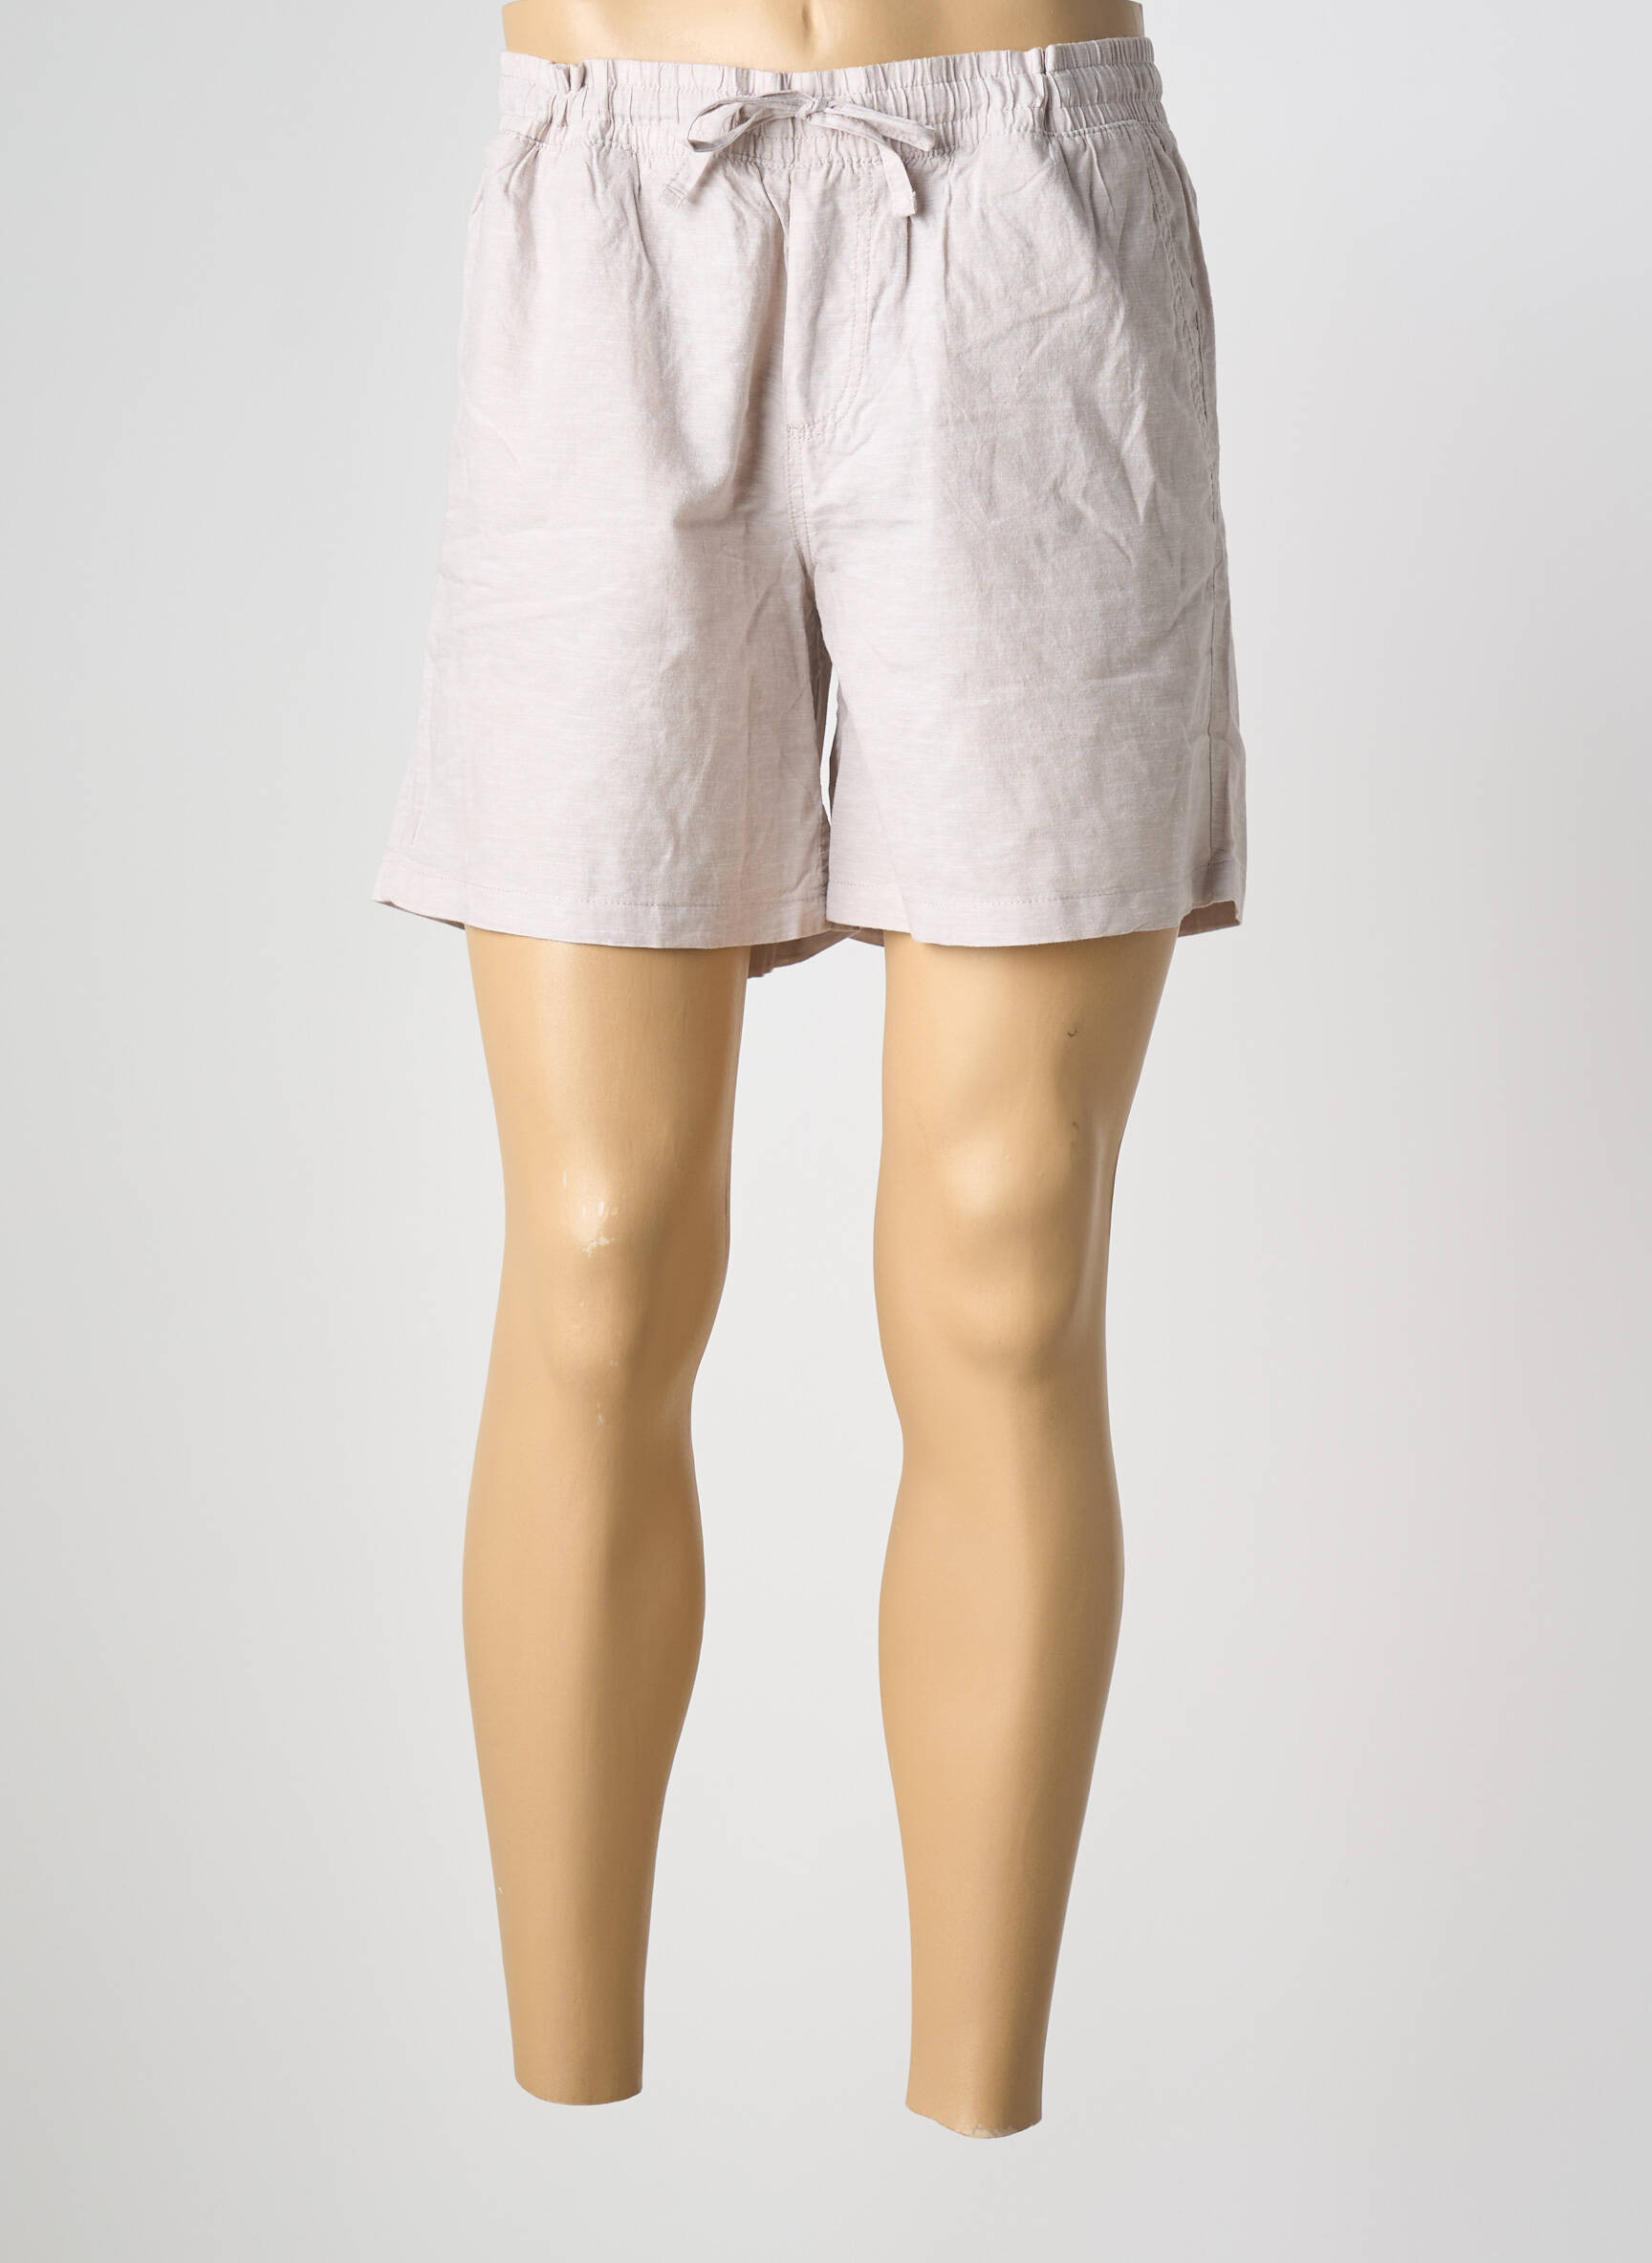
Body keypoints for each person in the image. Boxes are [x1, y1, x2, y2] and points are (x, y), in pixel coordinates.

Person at [372, 0, 1247, 2138]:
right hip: (613, 211)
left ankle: (977, 2118)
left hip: (1031, 203)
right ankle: (567, 2097)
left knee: (1013, 1245)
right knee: (597, 1246)